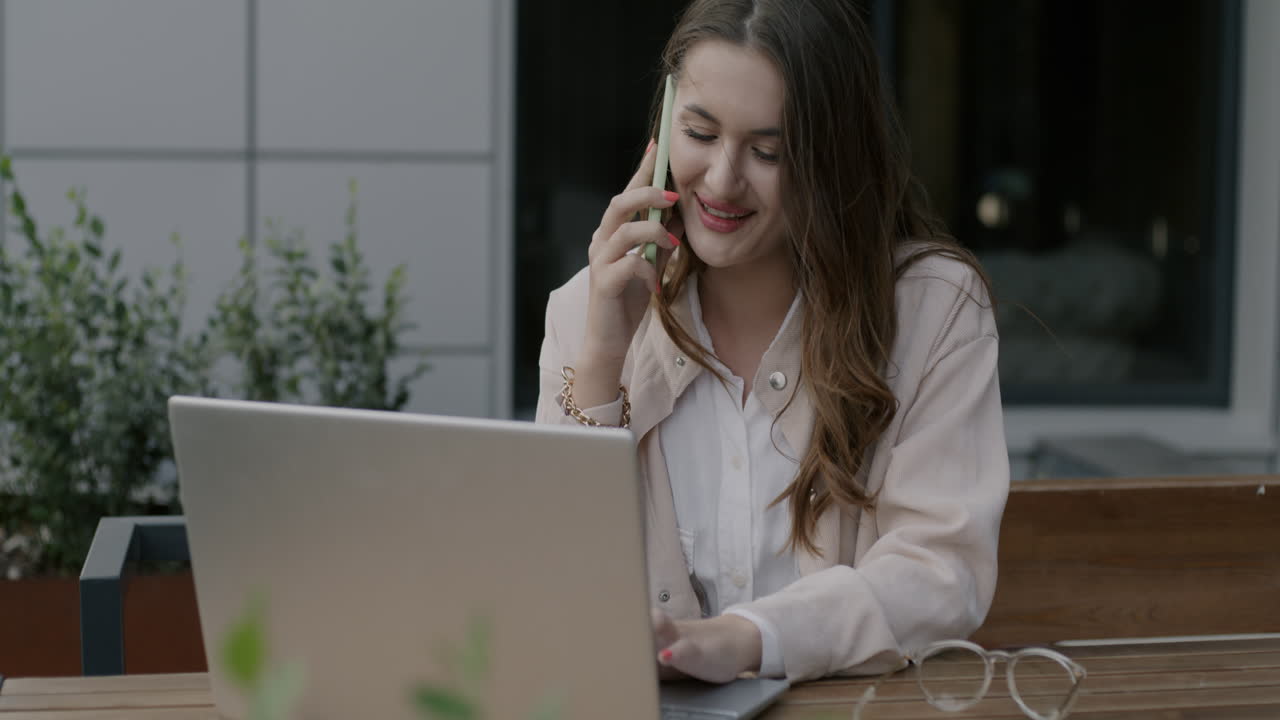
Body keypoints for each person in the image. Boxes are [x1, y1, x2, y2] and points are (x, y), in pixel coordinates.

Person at [535, 0, 1008, 683]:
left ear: (832, 158)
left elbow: (942, 572)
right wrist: (605, 359)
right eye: (699, 133)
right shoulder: (588, 307)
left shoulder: (932, 307)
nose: (723, 180)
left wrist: (747, 638)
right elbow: (555, 579)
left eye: (768, 151)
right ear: (664, 129)